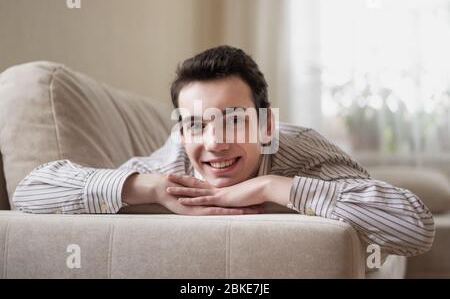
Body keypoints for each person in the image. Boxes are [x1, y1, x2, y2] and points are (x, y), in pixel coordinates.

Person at [13, 45, 434, 257]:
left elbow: (415, 227)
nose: (215, 143)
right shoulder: (172, 163)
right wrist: (148, 189)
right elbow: (28, 193)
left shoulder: (305, 150)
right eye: (196, 124)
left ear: (267, 126)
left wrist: (271, 186)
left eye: (234, 119)